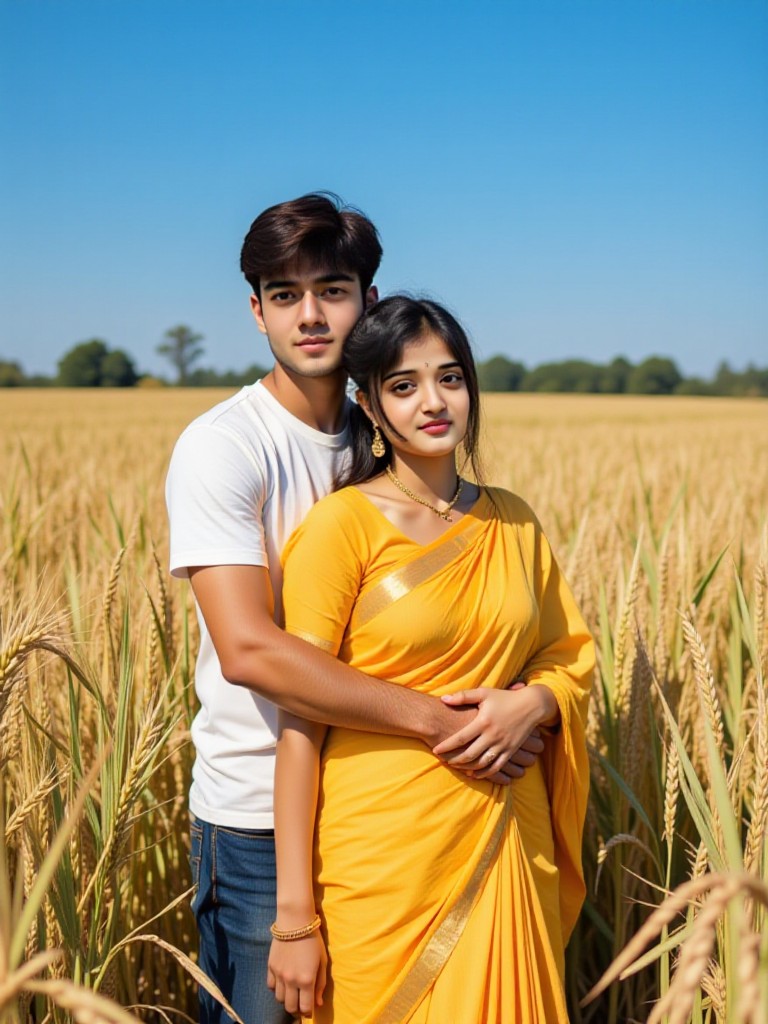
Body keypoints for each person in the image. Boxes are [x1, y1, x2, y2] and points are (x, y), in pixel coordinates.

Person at [166, 196, 546, 1024]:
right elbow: (253, 654)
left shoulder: (386, 435)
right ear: (255, 310)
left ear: (367, 301)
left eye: (332, 289)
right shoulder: (223, 447)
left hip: (402, 809)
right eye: (283, 294)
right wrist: (447, 725)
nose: (310, 315)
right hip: (260, 816)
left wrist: (535, 701)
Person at [268, 296, 595, 1023]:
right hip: (382, 854)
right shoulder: (341, 527)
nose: (434, 401)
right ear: (369, 405)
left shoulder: (511, 518)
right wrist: (295, 919)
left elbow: (564, 655)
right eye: (404, 385)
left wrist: (534, 704)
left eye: (450, 378)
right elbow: (301, 720)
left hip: (508, 826)